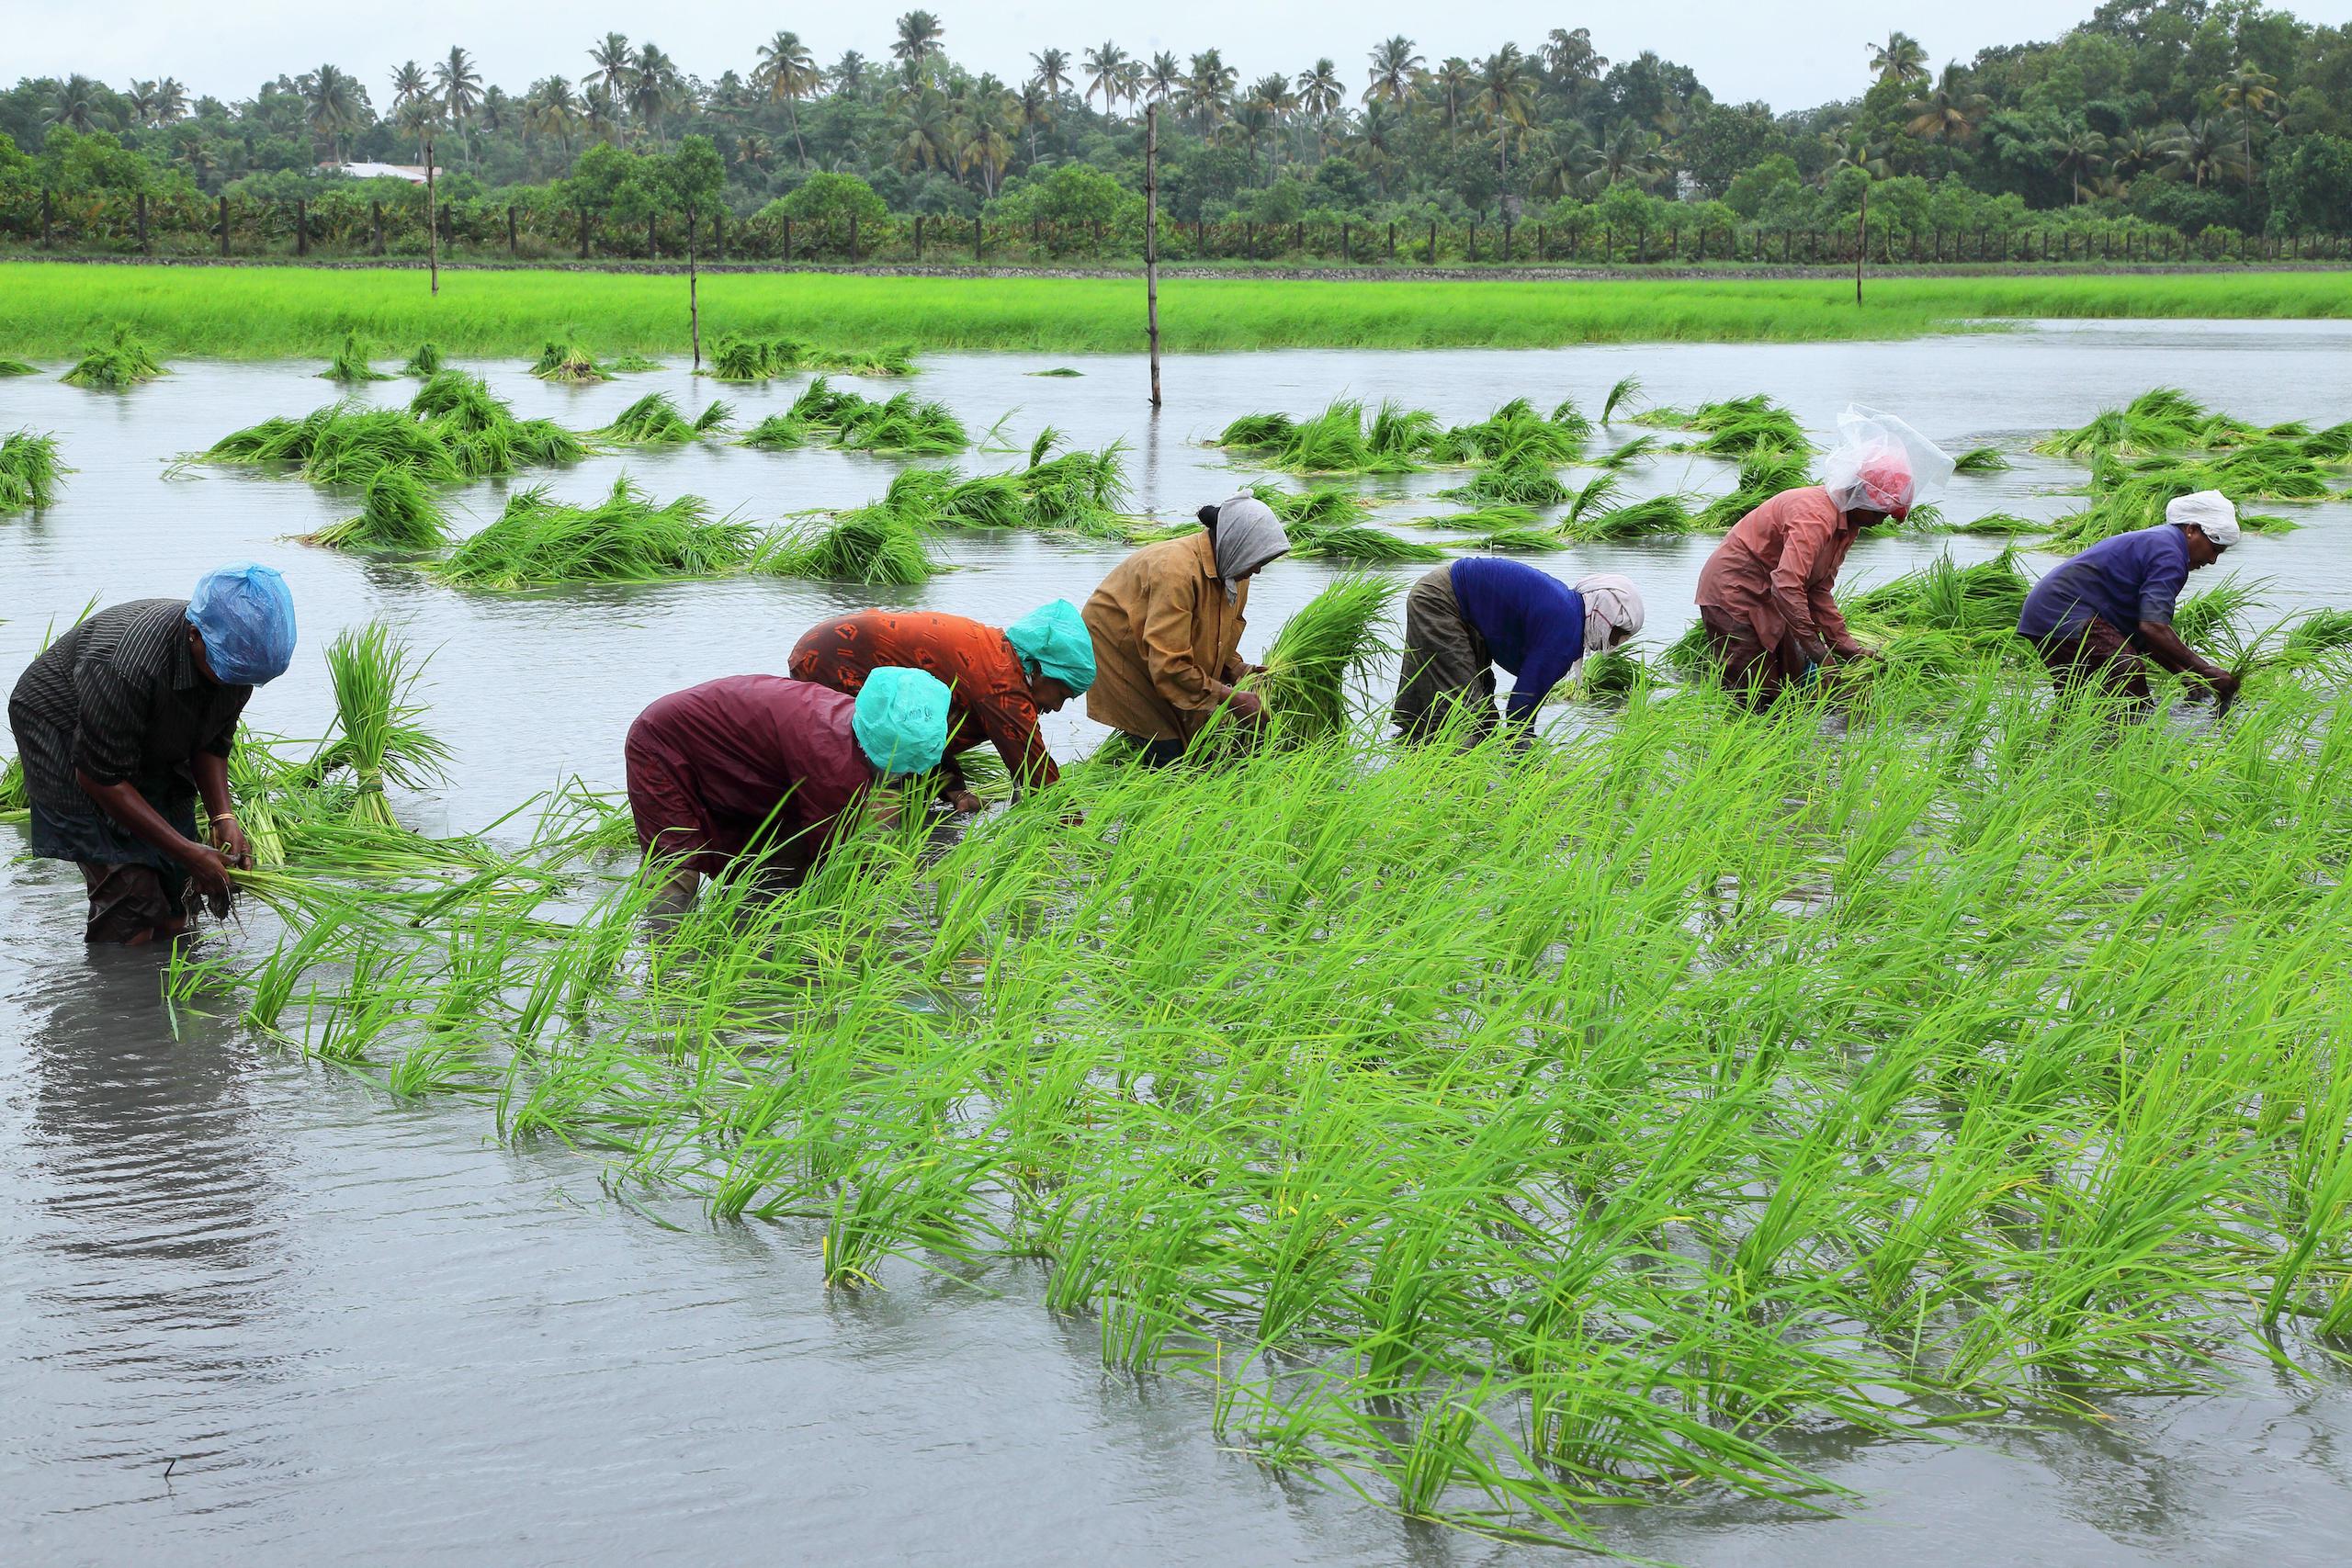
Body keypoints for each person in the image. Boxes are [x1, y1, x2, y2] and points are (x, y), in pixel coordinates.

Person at [6, 564, 297, 945]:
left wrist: (223, 817)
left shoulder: (236, 657)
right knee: (132, 897)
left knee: (178, 895)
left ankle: (169, 971)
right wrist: (188, 852)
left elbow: (212, 742)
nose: (235, 685)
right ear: (194, 635)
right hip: (62, 729)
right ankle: (119, 977)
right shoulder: (125, 665)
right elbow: (100, 777)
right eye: (227, 672)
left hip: (142, 729)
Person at [623, 666, 952, 902]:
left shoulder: (866, 723)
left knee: (780, 847)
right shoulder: (832, 759)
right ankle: (667, 959)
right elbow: (837, 857)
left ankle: (748, 921)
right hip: (664, 741)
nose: (899, 777)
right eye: (897, 767)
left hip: (736, 751)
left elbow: (871, 817)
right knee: (675, 858)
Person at [1695, 405, 1952, 706]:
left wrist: (1847, 648)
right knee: (1754, 693)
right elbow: (1787, 585)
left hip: (1772, 594)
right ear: (1860, 496)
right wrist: (1819, 652)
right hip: (1734, 593)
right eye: (1881, 511)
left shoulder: (1848, 525)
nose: (1882, 519)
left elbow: (1817, 591)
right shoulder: (1815, 517)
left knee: (1793, 689)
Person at [786, 601, 1095, 812]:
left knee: (893, 749)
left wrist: (955, 790)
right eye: (1062, 694)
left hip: (829, 641)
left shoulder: (995, 652)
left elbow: (924, 722)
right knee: (862, 762)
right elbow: (1036, 771)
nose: (1057, 708)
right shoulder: (1002, 682)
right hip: (834, 659)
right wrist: (1076, 834)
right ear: (1038, 669)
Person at [1081, 492, 1290, 763]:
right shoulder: (1176, 571)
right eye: (1257, 561)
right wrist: (1233, 699)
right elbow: (1169, 665)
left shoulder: (1235, 574)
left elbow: (1219, 636)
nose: (1258, 570)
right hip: (1120, 650)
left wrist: (1238, 669)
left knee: (1196, 738)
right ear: (1236, 545)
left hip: (1160, 648)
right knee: (1169, 751)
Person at [2017, 490, 2242, 710]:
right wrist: (2207, 671)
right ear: (2191, 530)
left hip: (2046, 611)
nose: (2212, 559)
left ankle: (2067, 734)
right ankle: (2129, 732)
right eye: (2213, 548)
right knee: (2128, 674)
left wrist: (2185, 674)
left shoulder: (2162, 542)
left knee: (2076, 702)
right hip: (2065, 611)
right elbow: (2153, 627)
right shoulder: (2170, 555)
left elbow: (2144, 636)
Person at [1393, 559, 1645, 742]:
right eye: (1617, 635)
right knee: (1464, 718)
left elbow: (1523, 704)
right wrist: (1523, 756)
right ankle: (1451, 790)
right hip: (1442, 601)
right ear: (1605, 616)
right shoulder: (1564, 631)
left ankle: (1409, 756)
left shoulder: (1568, 614)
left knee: (1482, 720)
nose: (1613, 645)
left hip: (1461, 607)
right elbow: (1520, 708)